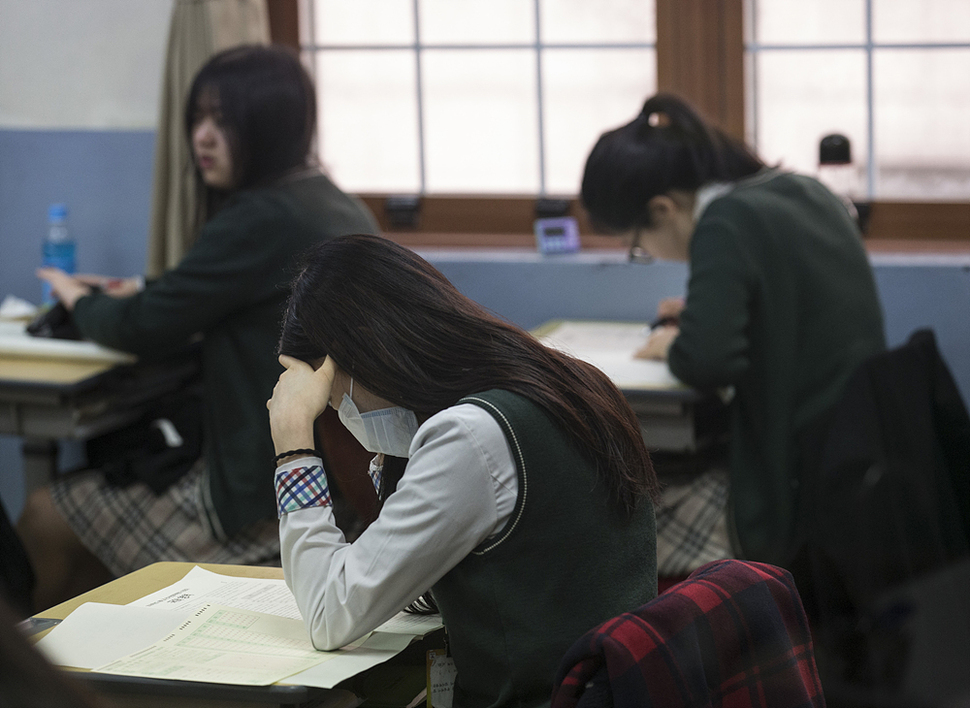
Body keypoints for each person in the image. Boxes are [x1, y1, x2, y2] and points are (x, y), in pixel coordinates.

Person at [19, 45, 379, 612]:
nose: (203, 138)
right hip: (348, 479)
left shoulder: (259, 216)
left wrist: (73, 297)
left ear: (269, 126)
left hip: (261, 491)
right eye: (198, 119)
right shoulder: (331, 201)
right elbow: (208, 289)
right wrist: (142, 286)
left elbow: (142, 326)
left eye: (225, 121)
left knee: (45, 517)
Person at [267, 234, 659, 707]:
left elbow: (329, 615)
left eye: (332, 398)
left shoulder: (469, 436)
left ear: (360, 357)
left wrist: (293, 446)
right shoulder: (565, 380)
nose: (341, 414)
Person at [580, 93, 886, 572]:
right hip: (855, 454)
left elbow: (706, 361)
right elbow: (784, 305)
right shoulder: (801, 189)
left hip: (789, 478)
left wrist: (673, 343)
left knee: (605, 523)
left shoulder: (725, 222)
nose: (647, 254)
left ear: (662, 209)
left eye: (635, 245)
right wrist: (699, 313)